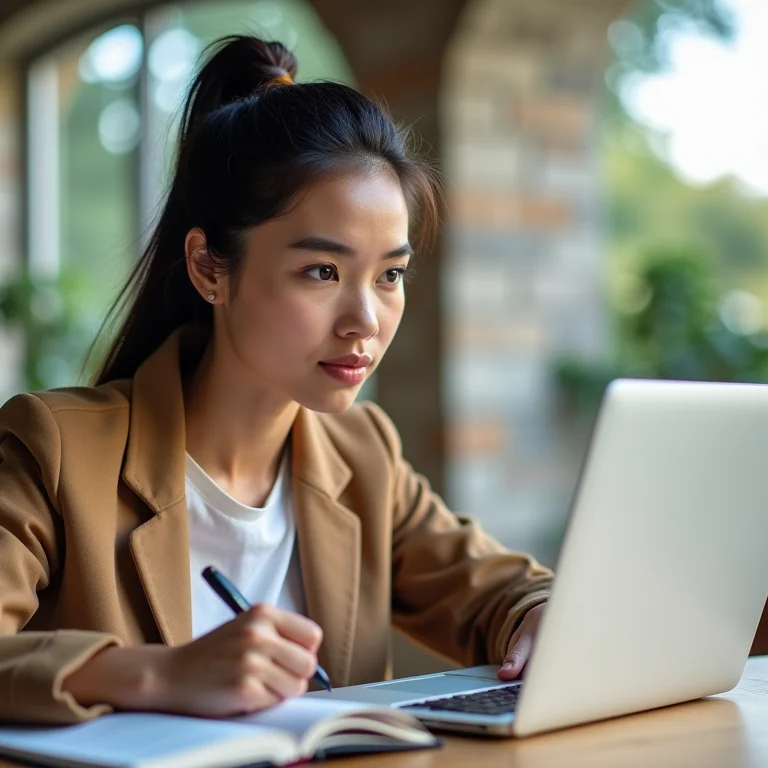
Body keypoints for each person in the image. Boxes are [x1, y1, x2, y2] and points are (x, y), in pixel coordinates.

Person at [0, 35, 552, 725]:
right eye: (322, 272)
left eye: (391, 275)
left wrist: (540, 616)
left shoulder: (361, 452)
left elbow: (495, 589)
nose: (365, 321)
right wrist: (159, 673)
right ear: (208, 267)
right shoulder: (54, 450)